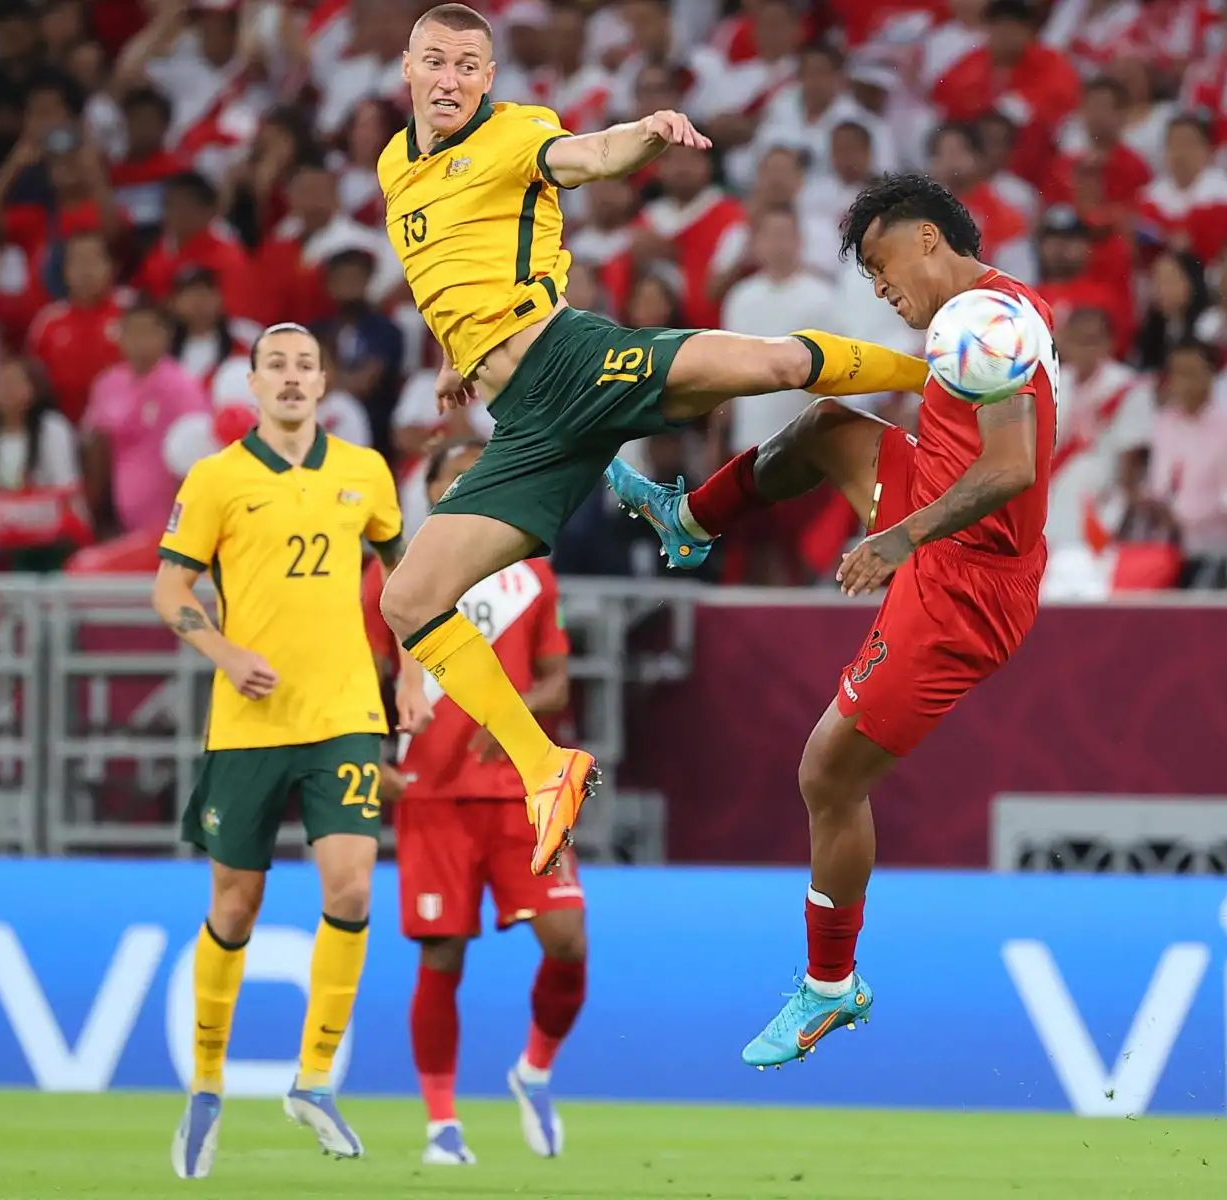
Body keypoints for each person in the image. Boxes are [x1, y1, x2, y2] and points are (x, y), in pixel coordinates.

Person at [375, 3, 933, 879]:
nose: (449, 79)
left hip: (570, 362)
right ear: (406, 68)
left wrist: (648, 131)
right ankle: (546, 767)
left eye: (467, 66)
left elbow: (588, 156)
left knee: (775, 363)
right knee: (406, 602)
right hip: (520, 422)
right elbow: (452, 269)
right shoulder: (393, 168)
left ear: (488, 79)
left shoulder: (520, 132)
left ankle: (933, 373)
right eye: (434, 61)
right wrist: (458, 356)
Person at [605, 174, 1057, 1066]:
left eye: (884, 265)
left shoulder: (985, 325)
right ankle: (688, 522)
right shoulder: (983, 309)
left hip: (965, 577)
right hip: (938, 502)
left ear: (928, 238)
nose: (882, 288)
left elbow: (1010, 469)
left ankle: (829, 986)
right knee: (820, 429)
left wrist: (898, 538)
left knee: (826, 775)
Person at [155, 322, 404, 1171]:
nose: (292, 379)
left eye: (305, 366)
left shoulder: (363, 474)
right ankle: (207, 1086)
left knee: (353, 886)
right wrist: (225, 651)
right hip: (249, 724)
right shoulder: (218, 478)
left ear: (324, 381)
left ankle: (315, 1080)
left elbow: (404, 584)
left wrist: (408, 672)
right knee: (235, 908)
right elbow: (169, 584)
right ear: (253, 384)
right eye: (277, 367)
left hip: (342, 715)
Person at [364, 440, 586, 1166]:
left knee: (568, 942)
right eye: (448, 480)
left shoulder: (529, 574)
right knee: (443, 954)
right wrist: (372, 762)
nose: (462, 489)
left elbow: (557, 682)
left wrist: (517, 712)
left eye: (473, 478)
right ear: (425, 494)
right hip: (429, 790)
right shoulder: (390, 582)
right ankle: (441, 1126)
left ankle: (534, 1069)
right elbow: (360, 682)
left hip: (522, 793)